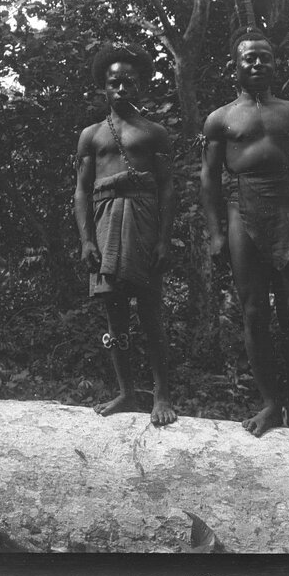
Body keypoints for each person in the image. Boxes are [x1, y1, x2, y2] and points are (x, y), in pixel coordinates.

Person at [200, 26, 289, 439]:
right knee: (253, 311)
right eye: (248, 58)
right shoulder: (220, 119)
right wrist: (216, 233)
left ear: (274, 64)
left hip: (287, 211)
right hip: (244, 212)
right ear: (235, 66)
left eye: (263, 57)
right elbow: (210, 179)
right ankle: (270, 402)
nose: (256, 63)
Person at [73, 42, 177, 426]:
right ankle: (126, 390)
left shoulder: (154, 133)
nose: (121, 89)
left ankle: (162, 393)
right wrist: (86, 240)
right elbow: (82, 190)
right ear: (104, 86)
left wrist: (164, 239)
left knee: (150, 313)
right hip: (105, 225)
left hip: (144, 222)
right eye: (114, 83)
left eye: (129, 83)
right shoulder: (91, 136)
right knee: (115, 317)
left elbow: (167, 188)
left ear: (141, 87)